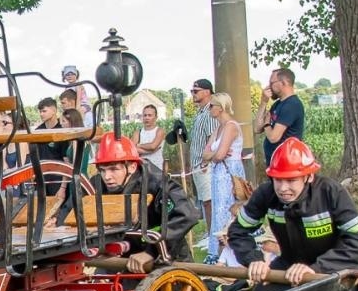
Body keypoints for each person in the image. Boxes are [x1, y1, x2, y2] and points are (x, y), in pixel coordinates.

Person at [229, 138, 358, 291]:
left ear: (309, 176)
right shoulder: (265, 193)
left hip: (338, 268)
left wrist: (318, 267)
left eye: (291, 180)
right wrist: (254, 260)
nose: (283, 188)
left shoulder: (331, 192)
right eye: (278, 179)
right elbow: (238, 231)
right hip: (289, 266)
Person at [92, 133, 198, 268]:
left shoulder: (158, 183)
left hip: (166, 259)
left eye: (114, 169)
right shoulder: (97, 184)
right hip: (123, 257)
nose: (107, 176)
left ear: (132, 166)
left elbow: (187, 215)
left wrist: (151, 252)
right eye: (102, 170)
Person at [201, 91, 245, 264]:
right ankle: (216, 250)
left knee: (228, 210)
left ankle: (227, 249)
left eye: (211, 106)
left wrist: (214, 154)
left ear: (220, 108)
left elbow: (218, 155)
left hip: (229, 173)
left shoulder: (231, 126)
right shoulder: (218, 128)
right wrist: (215, 154)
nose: (209, 109)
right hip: (218, 173)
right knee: (218, 210)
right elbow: (207, 154)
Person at [257, 67, 306, 164]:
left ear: (283, 82)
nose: (269, 87)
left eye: (272, 83)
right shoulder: (277, 104)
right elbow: (257, 129)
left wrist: (267, 124)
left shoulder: (292, 105)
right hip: (274, 161)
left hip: (286, 162)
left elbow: (273, 137)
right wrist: (263, 102)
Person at [186, 79, 215, 235]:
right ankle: (210, 232)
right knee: (205, 201)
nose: (193, 94)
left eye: (196, 91)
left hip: (205, 165)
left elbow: (212, 138)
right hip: (197, 164)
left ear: (207, 92)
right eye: (192, 91)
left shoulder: (210, 112)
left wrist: (205, 161)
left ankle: (212, 233)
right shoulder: (200, 112)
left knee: (209, 201)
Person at [133, 104, 166, 173]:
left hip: (157, 169)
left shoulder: (159, 131)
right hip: (142, 169)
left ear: (156, 117)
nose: (147, 118)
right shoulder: (137, 133)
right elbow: (133, 150)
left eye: (149, 115)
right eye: (145, 115)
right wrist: (149, 151)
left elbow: (153, 146)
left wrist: (139, 145)